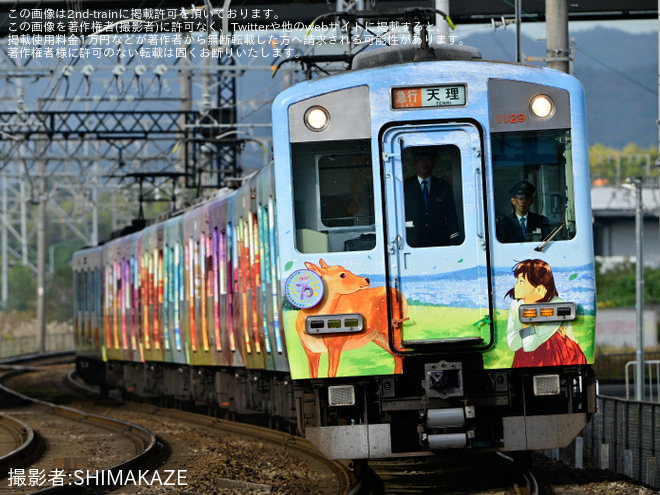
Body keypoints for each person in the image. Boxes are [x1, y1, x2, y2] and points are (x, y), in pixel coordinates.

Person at [505, 259, 587, 368]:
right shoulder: (516, 304)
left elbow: (529, 346)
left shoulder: (556, 304)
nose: (516, 286)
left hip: (557, 357)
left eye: (521, 281)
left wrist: (528, 308)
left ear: (539, 287)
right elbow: (512, 344)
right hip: (528, 359)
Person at [403, 147, 460, 247]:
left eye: (428, 160)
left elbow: (451, 217)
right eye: (420, 160)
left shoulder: (443, 186)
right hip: (412, 243)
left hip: (439, 243)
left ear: (433, 163)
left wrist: (454, 242)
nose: (424, 163)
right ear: (414, 163)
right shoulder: (405, 187)